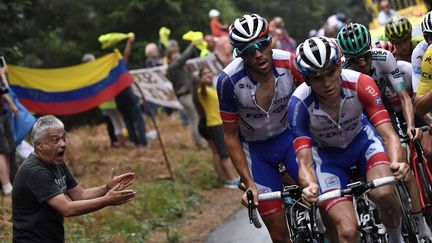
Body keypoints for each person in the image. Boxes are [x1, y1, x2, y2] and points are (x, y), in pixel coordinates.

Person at [289, 36, 409, 243]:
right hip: (328, 160)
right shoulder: (298, 104)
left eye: (330, 73)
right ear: (307, 80)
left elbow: (388, 134)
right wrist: (309, 184)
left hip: (364, 146)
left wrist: (397, 161)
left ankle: (396, 237)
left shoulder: (361, 83)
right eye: (317, 78)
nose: (327, 83)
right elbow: (304, 160)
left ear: (339, 66)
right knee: (347, 232)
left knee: (383, 194)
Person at [337, 23, 432, 241]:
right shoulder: (342, 71)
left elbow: (404, 97)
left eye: (365, 56)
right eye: (355, 59)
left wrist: (409, 126)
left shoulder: (384, 58)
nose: (362, 63)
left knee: (402, 162)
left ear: (371, 48)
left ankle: (421, 225)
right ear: (347, 59)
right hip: (358, 114)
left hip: (382, 109)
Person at [217, 13, 304, 242]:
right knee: (279, 233)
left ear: (271, 41)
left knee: (324, 203)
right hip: (256, 152)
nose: (257, 54)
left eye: (262, 45)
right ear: (239, 54)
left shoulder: (292, 63)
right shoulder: (228, 81)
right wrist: (248, 182)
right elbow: (230, 135)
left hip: (290, 140)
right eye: (247, 50)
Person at [12, 115, 136, 242]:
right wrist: (106, 200)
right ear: (39, 145)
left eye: (63, 138)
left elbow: (80, 195)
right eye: (55, 140)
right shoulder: (35, 171)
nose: (63, 144)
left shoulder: (57, 163)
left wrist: (106, 188)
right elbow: (67, 209)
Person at [195, 67, 238, 188]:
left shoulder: (212, 89)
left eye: (209, 73)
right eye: (204, 73)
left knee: (216, 152)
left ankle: (222, 177)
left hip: (216, 123)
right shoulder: (202, 90)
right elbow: (202, 88)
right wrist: (202, 82)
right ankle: (231, 179)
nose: (208, 75)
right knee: (223, 153)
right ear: (200, 77)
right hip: (215, 124)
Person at [166, 40, 207, 149]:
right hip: (185, 95)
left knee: (193, 118)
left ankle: (199, 141)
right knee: (195, 118)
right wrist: (193, 44)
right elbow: (184, 56)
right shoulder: (173, 66)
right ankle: (200, 143)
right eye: (174, 53)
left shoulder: (179, 67)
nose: (177, 55)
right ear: (170, 57)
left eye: (177, 52)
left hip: (186, 95)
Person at [81, 53, 127, 148]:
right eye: (93, 60)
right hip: (111, 101)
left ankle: (119, 143)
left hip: (102, 103)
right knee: (122, 122)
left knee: (115, 123)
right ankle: (125, 142)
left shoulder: (86, 75)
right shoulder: (98, 71)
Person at [115, 36, 148, 146]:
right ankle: (143, 143)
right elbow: (126, 55)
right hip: (128, 95)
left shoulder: (107, 73)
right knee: (138, 120)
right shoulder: (120, 67)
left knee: (128, 122)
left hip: (118, 98)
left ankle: (135, 142)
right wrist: (129, 42)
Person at [0, 67, 17, 195]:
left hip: (2, 113)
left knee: (9, 149)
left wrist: (11, 103)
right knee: (2, 150)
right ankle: (6, 186)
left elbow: (4, 88)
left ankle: (9, 183)